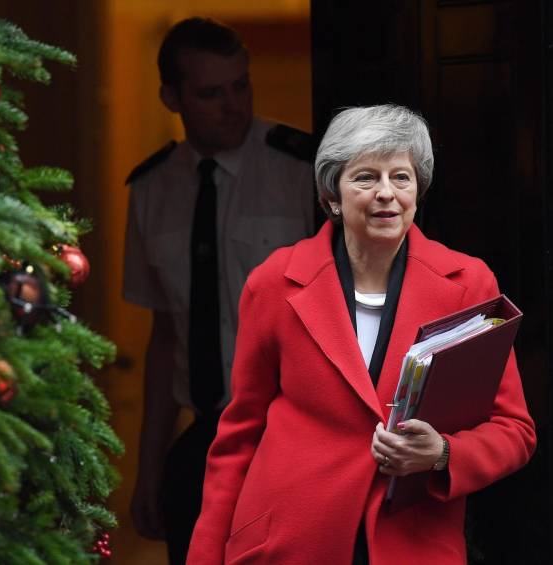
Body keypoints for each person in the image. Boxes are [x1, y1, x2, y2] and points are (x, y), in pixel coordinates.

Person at [186, 104, 536, 565]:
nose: (386, 194)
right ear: (333, 195)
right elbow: (238, 436)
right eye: (366, 177)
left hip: (411, 542)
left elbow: (515, 430)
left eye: (401, 178)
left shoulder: (468, 284)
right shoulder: (273, 283)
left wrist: (443, 453)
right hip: (290, 539)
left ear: (418, 190)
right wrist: (205, 556)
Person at [122, 17, 315, 564]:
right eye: (211, 93)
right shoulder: (151, 190)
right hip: (203, 443)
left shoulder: (300, 169)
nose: (234, 105)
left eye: (241, 85)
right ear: (171, 98)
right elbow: (165, 338)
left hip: (292, 437)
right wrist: (149, 469)